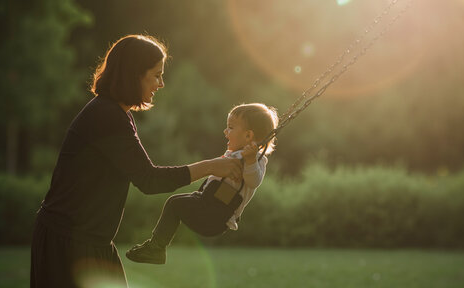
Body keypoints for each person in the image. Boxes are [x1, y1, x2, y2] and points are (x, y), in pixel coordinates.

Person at [30, 35, 242, 288]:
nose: (161, 83)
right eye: (156, 75)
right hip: (68, 243)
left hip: (90, 241)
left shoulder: (116, 113)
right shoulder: (106, 116)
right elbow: (149, 180)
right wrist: (210, 166)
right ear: (133, 75)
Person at [125, 103, 278, 265]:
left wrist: (251, 160)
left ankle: (156, 248)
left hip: (216, 215)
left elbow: (253, 181)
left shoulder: (257, 160)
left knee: (174, 204)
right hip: (207, 202)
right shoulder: (234, 154)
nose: (225, 132)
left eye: (231, 128)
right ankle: (155, 246)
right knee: (175, 203)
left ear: (248, 136)